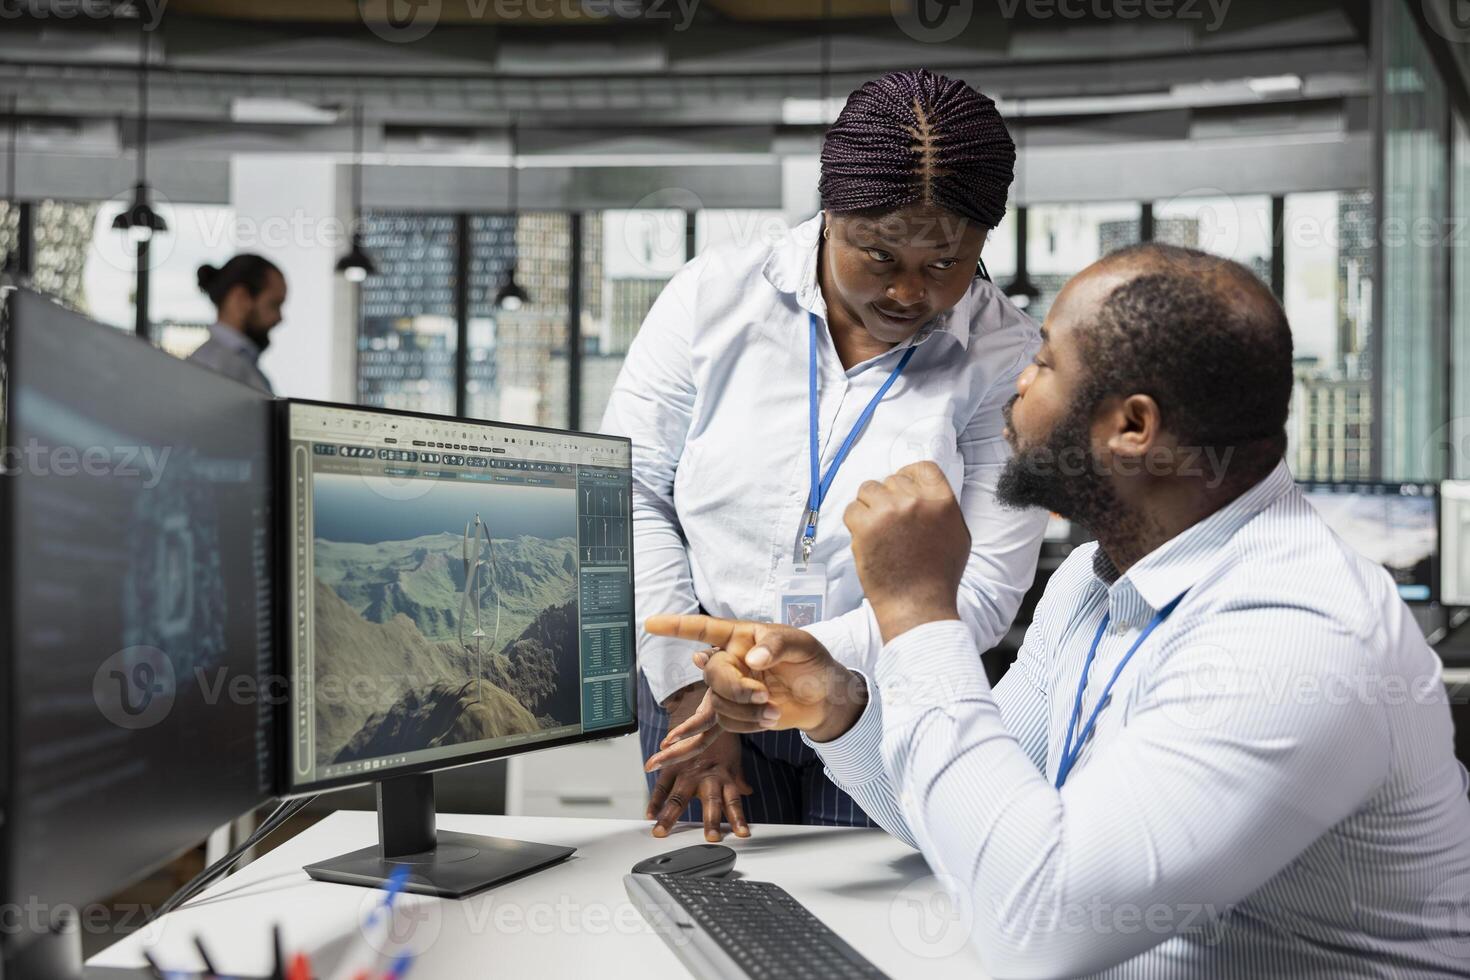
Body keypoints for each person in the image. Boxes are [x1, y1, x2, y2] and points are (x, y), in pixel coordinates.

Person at [646, 243, 1470, 975]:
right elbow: (977, 829)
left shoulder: (1293, 637)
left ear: (1134, 427)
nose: (1014, 383)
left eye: (1043, 363)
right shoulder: (1096, 577)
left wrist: (916, 609)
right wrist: (844, 707)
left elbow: (1040, 925)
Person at [601, 68, 1049, 840]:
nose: (910, 293)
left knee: (875, 922)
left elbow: (977, 595)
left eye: (944, 263)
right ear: (830, 212)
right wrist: (688, 687)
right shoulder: (710, 299)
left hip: (886, 695)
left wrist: (777, 667)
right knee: (712, 907)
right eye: (878, 256)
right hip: (692, 685)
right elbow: (628, 491)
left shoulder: (1010, 359)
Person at [188, 254, 287, 394]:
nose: (279, 318)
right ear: (241, 298)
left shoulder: (236, 363)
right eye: (274, 305)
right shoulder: (216, 367)